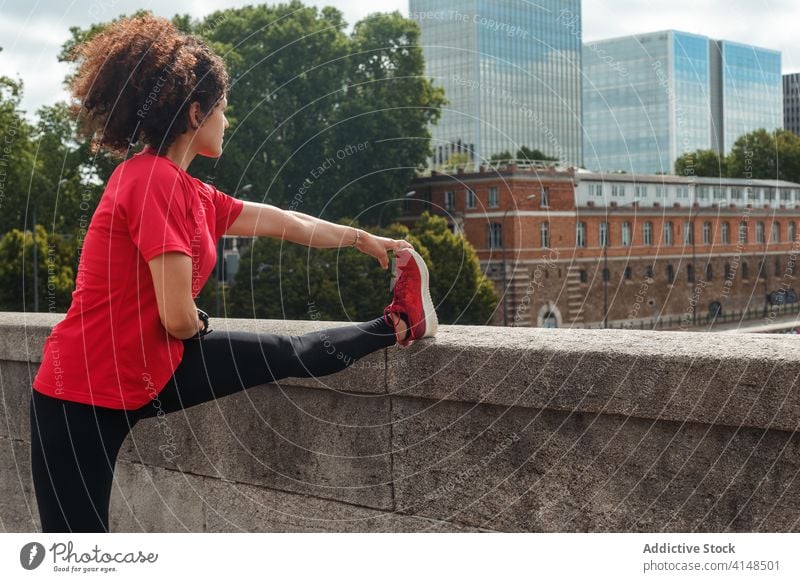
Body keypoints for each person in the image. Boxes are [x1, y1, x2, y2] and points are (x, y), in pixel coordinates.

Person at [30, 14, 438, 533]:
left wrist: (362, 239)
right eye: (223, 109)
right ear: (197, 112)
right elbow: (178, 318)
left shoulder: (193, 192)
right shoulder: (152, 181)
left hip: (146, 371)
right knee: (75, 556)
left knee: (290, 354)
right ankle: (397, 322)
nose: (230, 119)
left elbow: (284, 221)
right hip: (77, 396)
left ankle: (401, 321)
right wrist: (197, 327)